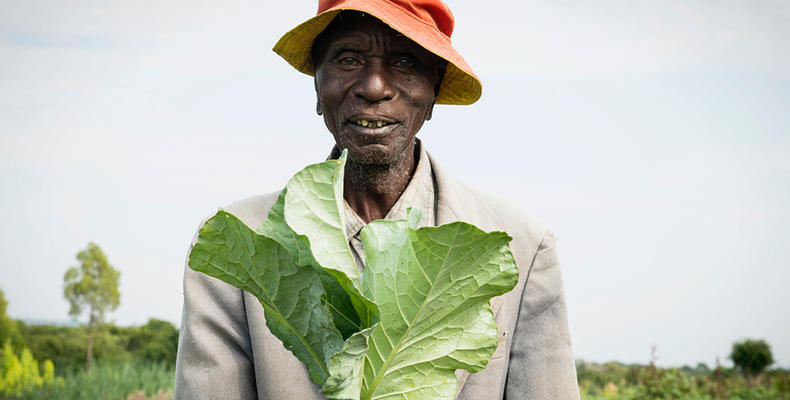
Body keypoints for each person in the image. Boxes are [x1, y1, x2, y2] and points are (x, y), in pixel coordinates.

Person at [174, 1, 579, 398]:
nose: (373, 87)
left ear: (433, 92)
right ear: (317, 86)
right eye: (348, 60)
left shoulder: (522, 245)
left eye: (404, 62)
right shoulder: (240, 242)